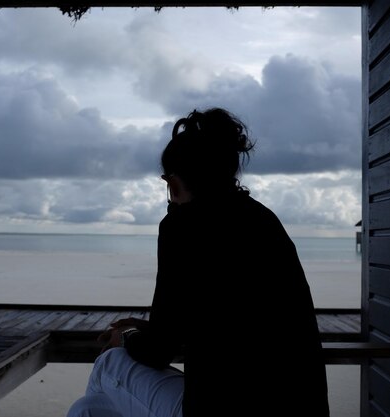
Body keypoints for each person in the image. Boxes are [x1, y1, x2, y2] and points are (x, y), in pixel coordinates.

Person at [67, 107, 330, 417]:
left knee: (108, 365)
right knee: (86, 410)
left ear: (173, 183)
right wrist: (150, 329)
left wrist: (126, 337)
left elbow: (158, 351)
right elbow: (229, 322)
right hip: (302, 407)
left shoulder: (182, 226)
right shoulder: (264, 220)